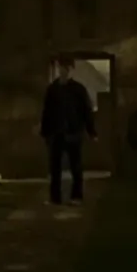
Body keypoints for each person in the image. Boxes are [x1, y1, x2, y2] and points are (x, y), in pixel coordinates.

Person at [39, 55, 97, 206]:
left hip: (73, 132)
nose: (63, 71)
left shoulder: (78, 89)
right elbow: (47, 112)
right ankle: (55, 198)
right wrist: (45, 131)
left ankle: (76, 196)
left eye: (66, 68)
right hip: (56, 133)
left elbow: (86, 111)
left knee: (76, 166)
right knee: (55, 168)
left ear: (71, 69)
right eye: (61, 67)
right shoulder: (53, 89)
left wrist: (91, 131)